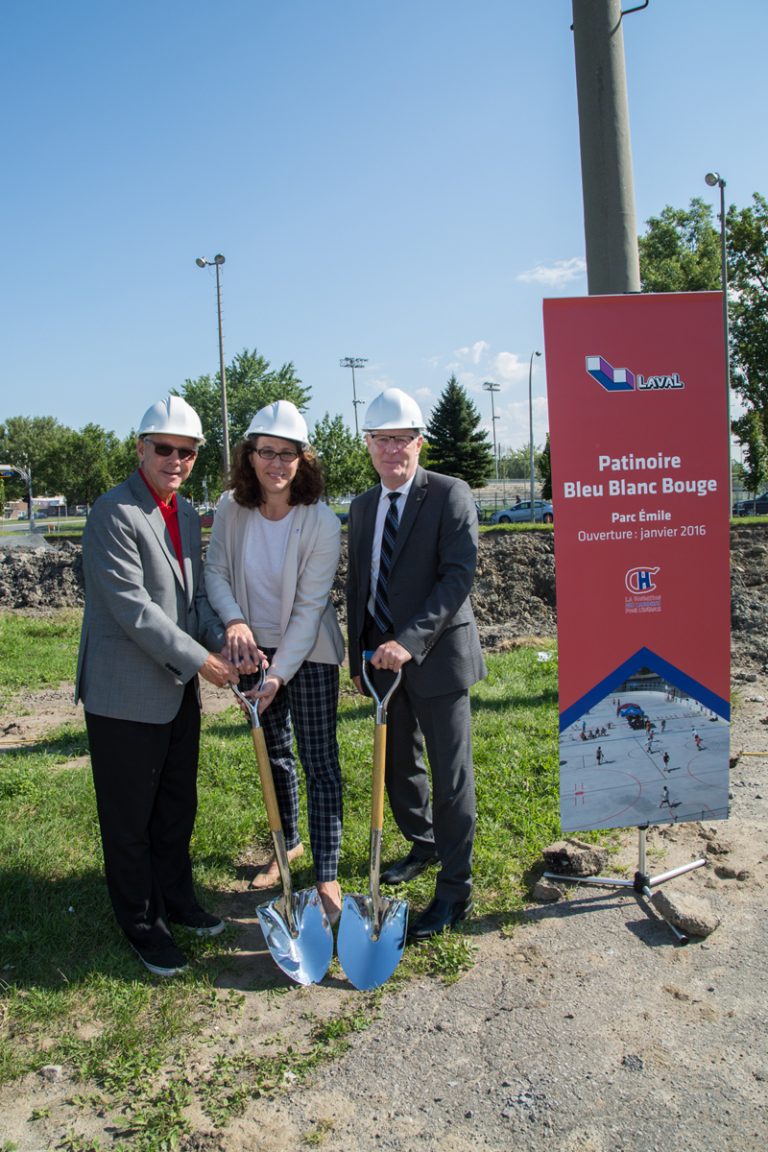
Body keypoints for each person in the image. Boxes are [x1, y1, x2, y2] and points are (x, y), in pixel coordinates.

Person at [75, 396, 242, 977]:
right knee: (129, 819)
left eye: (187, 451)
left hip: (175, 690)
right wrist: (202, 661)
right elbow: (134, 609)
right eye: (165, 448)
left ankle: (177, 900)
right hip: (124, 694)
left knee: (175, 806)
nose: (176, 459)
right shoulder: (113, 512)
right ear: (142, 448)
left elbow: (191, 600)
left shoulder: (185, 510)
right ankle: (143, 926)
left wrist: (220, 641)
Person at [346, 387, 486, 941]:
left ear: (418, 442)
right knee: (400, 767)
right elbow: (359, 583)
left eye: (402, 439)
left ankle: (456, 890)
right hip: (381, 662)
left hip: (436, 658)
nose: (392, 450)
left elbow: (457, 577)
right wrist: (360, 655)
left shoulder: (451, 495)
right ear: (369, 445)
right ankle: (423, 843)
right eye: (382, 439)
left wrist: (409, 640)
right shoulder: (361, 507)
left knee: (450, 778)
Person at [204, 401, 345, 925]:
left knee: (319, 760)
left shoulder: (322, 522)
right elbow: (215, 571)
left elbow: (309, 609)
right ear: (250, 456)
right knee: (274, 754)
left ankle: (327, 872)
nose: (277, 464)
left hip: (307, 653)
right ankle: (287, 844)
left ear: (303, 460)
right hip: (250, 650)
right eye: (267, 452)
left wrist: (279, 673)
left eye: (288, 454)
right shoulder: (229, 508)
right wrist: (235, 623)